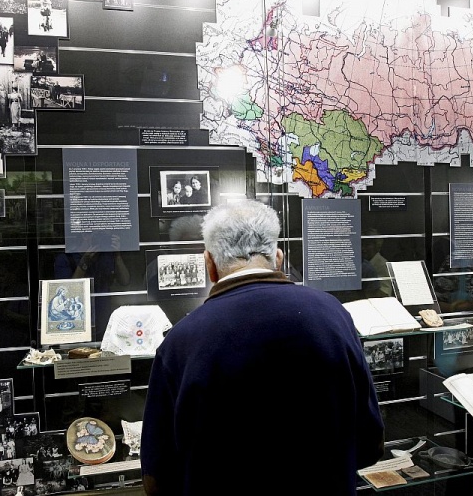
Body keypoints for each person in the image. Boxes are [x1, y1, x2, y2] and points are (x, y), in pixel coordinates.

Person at [141, 200, 384, 495]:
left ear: (209, 264)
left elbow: (157, 479)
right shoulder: (333, 315)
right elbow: (370, 444)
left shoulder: (180, 342)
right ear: (278, 258)